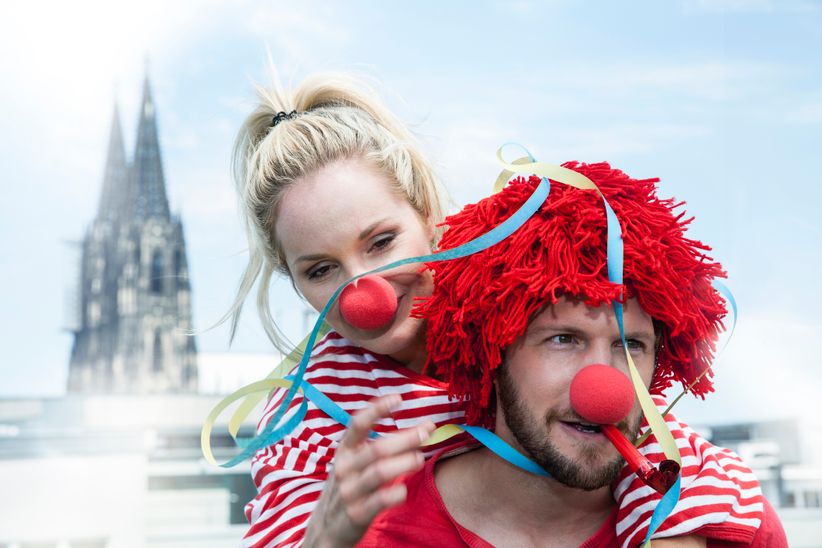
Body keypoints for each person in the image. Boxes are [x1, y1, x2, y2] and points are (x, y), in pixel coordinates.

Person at [225, 71, 774, 547]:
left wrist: (673, 528)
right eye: (320, 270)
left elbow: (656, 442)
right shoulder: (310, 416)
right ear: (294, 284)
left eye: (381, 242)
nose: (363, 294)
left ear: (430, 216)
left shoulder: (518, 308)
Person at [359, 164, 788, 546]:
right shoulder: (373, 530)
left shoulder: (735, 528)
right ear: (490, 349)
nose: (605, 391)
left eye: (630, 344)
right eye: (563, 339)